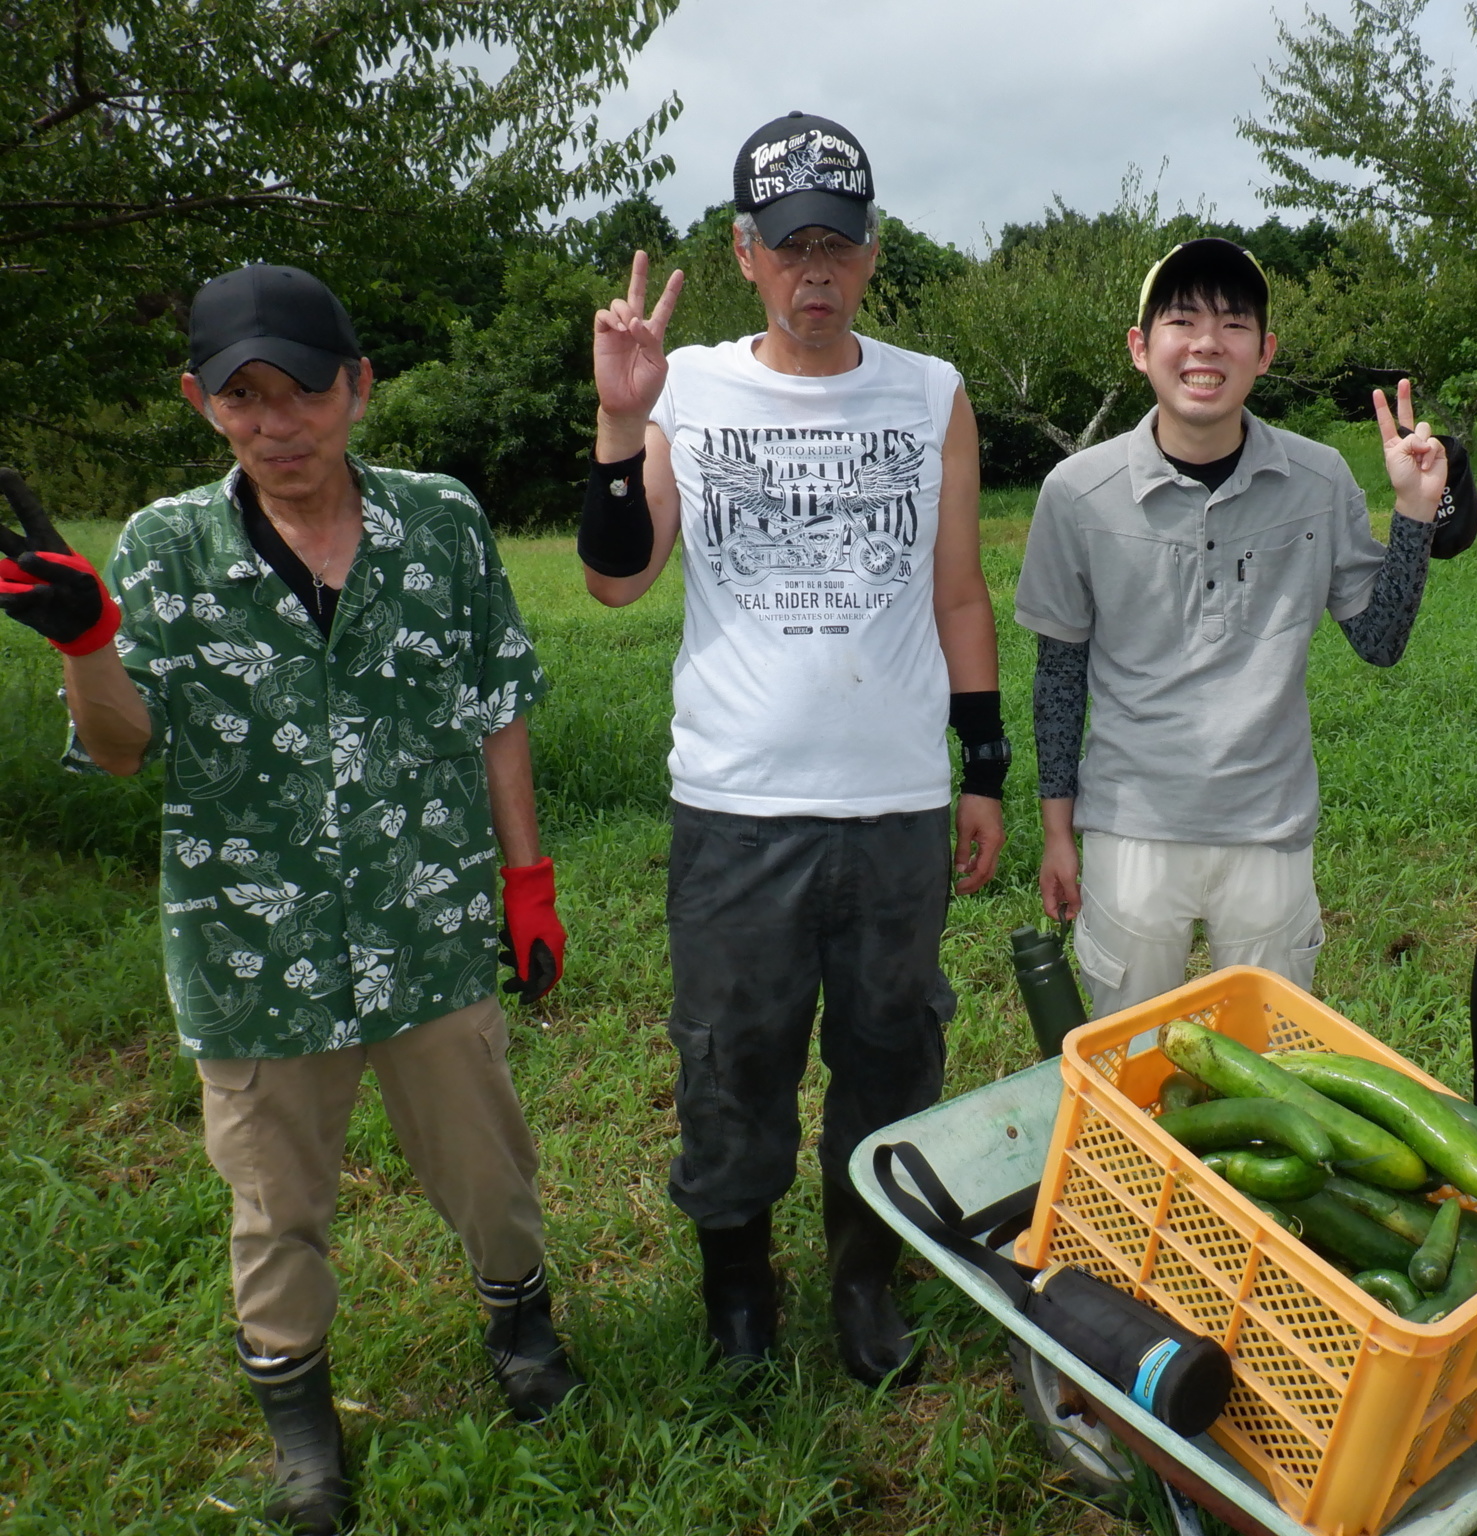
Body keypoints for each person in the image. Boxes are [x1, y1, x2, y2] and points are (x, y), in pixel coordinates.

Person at [0, 264, 580, 1534]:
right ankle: (301, 1424)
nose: (277, 424)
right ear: (201, 403)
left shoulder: (441, 524)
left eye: (303, 390)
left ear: (358, 387)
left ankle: (521, 1327)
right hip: (251, 950)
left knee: (487, 1168)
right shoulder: (164, 548)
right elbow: (117, 751)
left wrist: (524, 883)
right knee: (275, 1209)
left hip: (427, 930)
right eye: (242, 396)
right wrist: (89, 644)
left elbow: (497, 712)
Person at [576, 111, 1007, 1387]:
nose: (814, 273)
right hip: (736, 807)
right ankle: (739, 1294)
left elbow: (960, 595)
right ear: (745, 252)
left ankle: (863, 1277)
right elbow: (614, 580)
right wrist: (618, 429)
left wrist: (980, 770)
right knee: (732, 1056)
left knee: (891, 1048)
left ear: (873, 253)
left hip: (893, 809)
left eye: (838, 245)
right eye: (788, 247)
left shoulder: (929, 392)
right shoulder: (691, 386)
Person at [1013, 237, 1448, 1016]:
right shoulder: (1077, 493)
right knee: (1129, 1069)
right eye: (1182, 320)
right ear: (1141, 348)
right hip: (1130, 827)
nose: (1208, 342)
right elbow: (1059, 673)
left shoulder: (1320, 479)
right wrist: (1057, 833)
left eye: (1234, 322)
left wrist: (1414, 512)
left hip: (1269, 826)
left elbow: (1379, 643)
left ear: (1266, 352)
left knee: (1271, 1071)